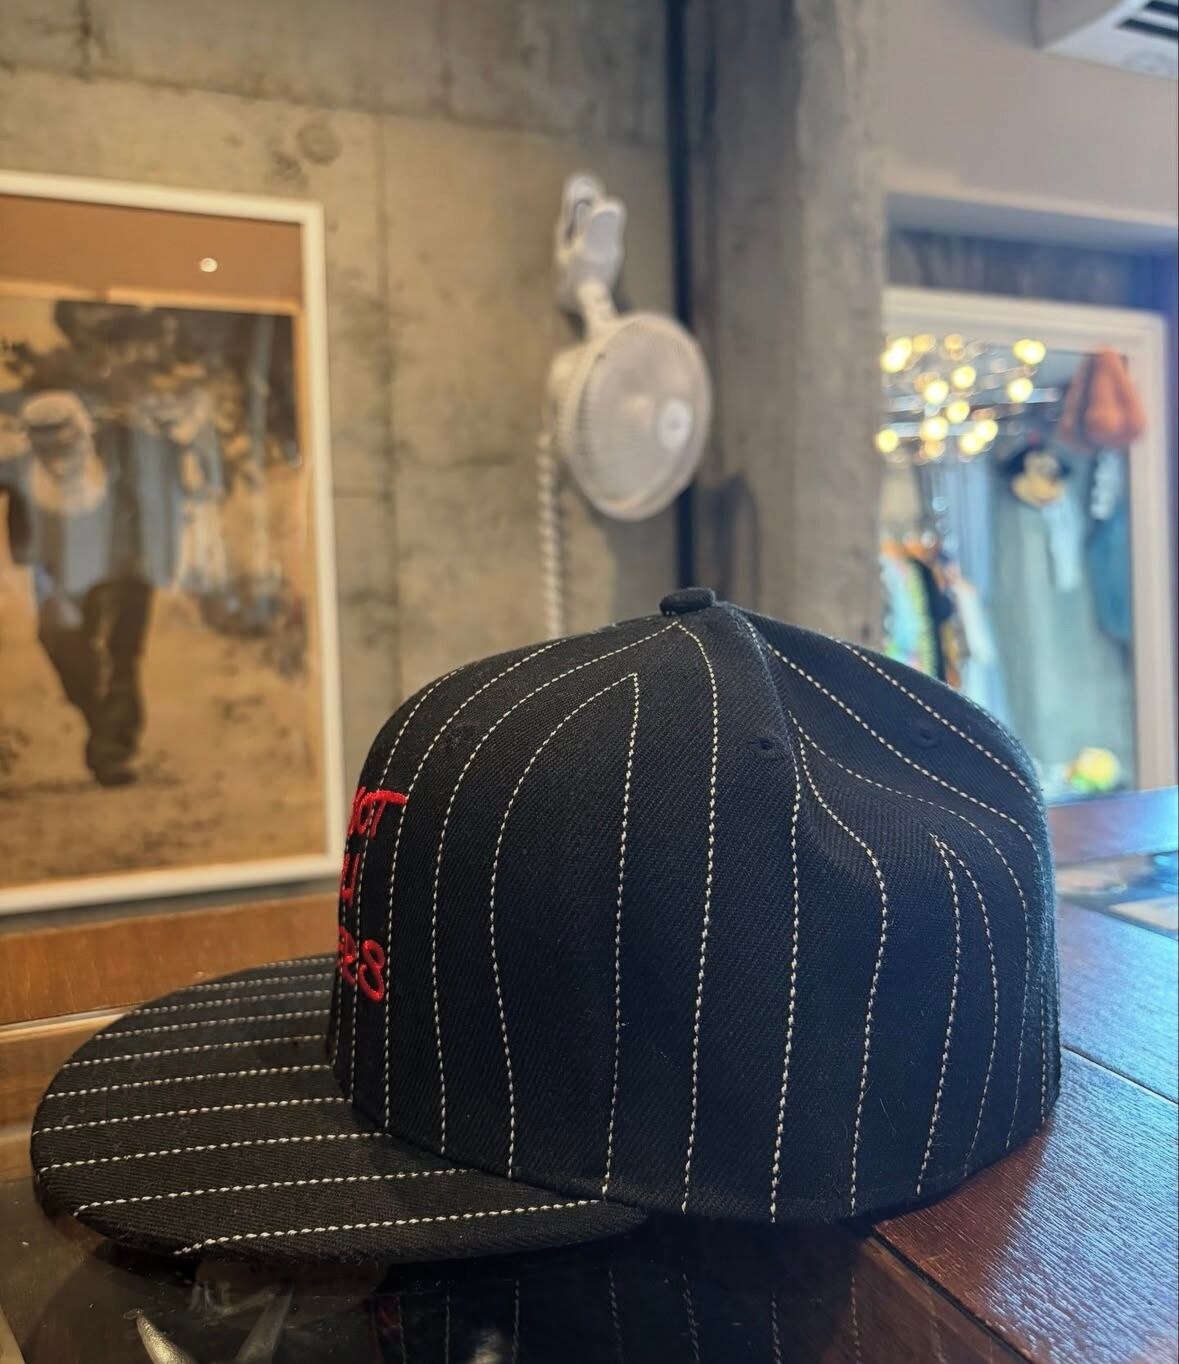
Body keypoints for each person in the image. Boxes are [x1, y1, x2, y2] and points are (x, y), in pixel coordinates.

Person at [10, 390, 184, 787]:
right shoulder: (23, 475)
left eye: (63, 433)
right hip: (58, 579)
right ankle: (102, 727)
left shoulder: (118, 457)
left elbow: (157, 496)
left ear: (82, 429)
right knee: (62, 647)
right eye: (43, 437)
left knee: (116, 655)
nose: (56, 447)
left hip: (124, 571)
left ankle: (112, 753)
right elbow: (25, 545)